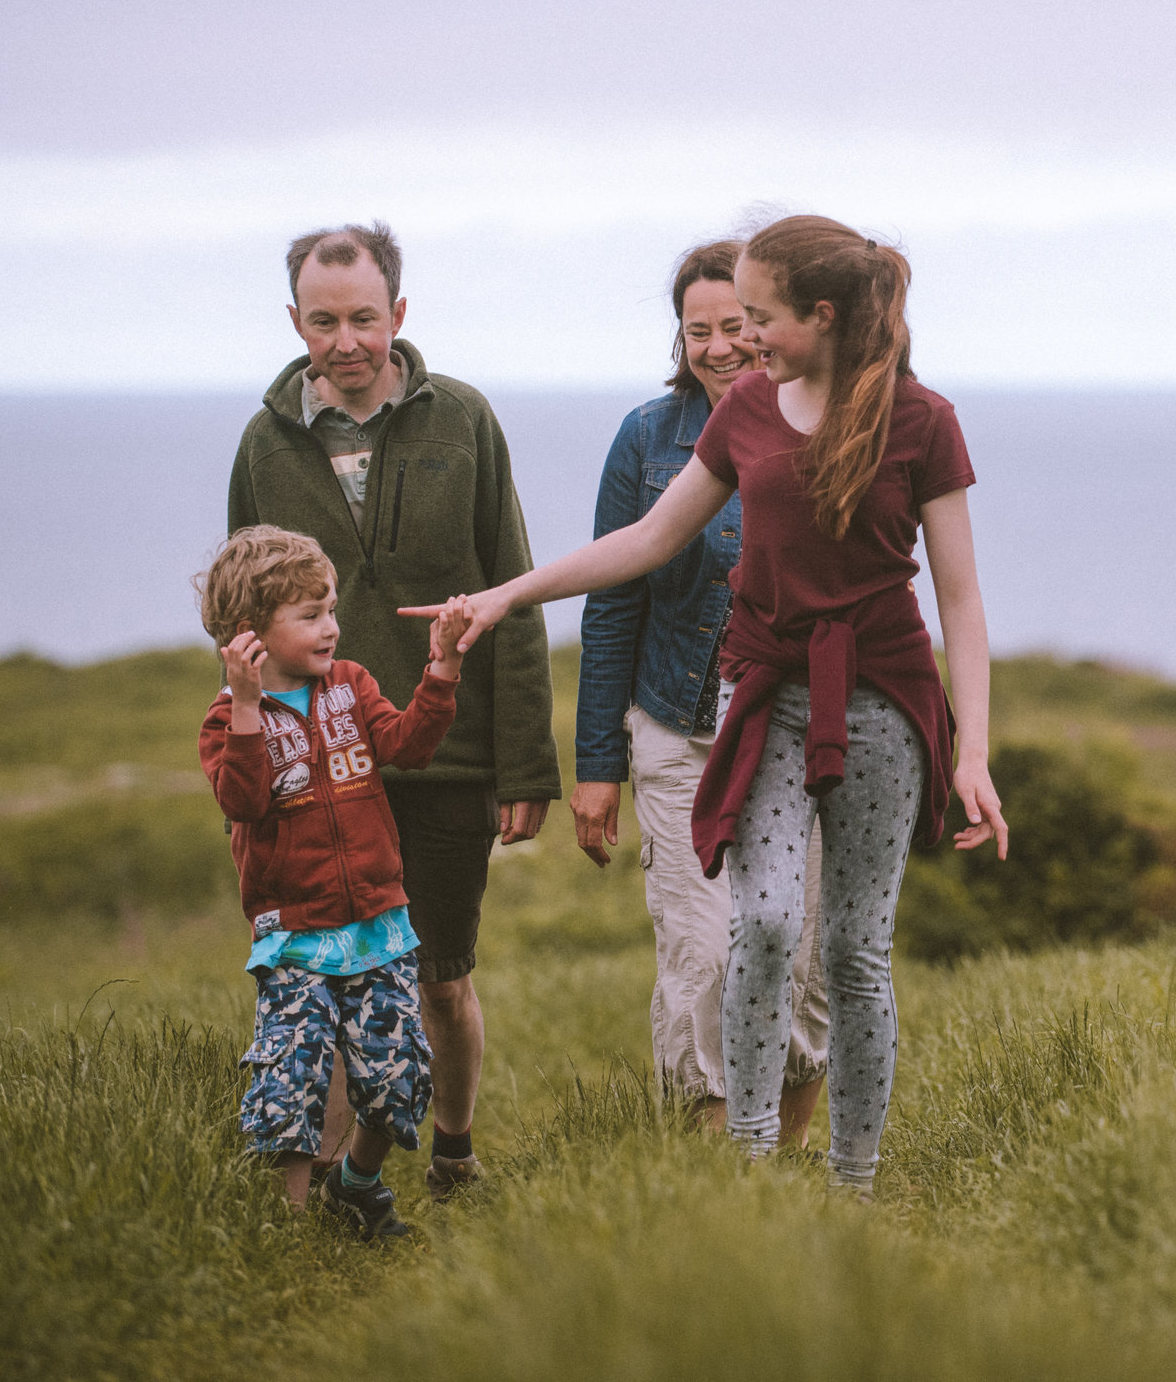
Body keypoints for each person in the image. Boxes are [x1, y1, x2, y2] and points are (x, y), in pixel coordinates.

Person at [412, 214, 1009, 1196]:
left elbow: (962, 598)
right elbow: (647, 540)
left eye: (761, 316)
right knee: (763, 924)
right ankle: (749, 1167)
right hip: (763, 695)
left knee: (853, 952)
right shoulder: (746, 413)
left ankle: (853, 1183)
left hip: (882, 705)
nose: (745, 338)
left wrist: (971, 752)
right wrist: (506, 594)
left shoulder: (922, 420)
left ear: (822, 315)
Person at [227, 223, 561, 1200]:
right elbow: (241, 607)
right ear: (296, 321)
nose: (346, 341)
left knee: (441, 974)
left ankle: (453, 1154)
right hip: (315, 771)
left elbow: (513, 586)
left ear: (398, 315)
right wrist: (251, 754)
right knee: (325, 977)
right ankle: (329, 1185)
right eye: (323, 321)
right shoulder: (263, 445)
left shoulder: (464, 420)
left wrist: (525, 764)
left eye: (364, 318)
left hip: (447, 755)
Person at [574, 241, 828, 1141]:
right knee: (704, 956)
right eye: (698, 331)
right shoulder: (646, 439)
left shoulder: (824, 427)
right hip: (677, 732)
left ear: (770, 324)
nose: (719, 347)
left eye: (736, 325)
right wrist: (597, 764)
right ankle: (710, 1178)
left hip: (799, 736)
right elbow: (612, 603)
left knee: (798, 960)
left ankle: (784, 1170)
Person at [194, 523, 477, 1239]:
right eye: (311, 614)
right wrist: (249, 707)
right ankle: (287, 1239)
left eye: (331, 609)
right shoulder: (226, 720)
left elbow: (409, 745)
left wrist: (442, 668)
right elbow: (243, 802)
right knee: (291, 1081)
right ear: (250, 635)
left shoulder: (350, 685)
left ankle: (355, 1185)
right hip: (294, 938)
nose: (332, 627)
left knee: (397, 1074)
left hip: (380, 925)